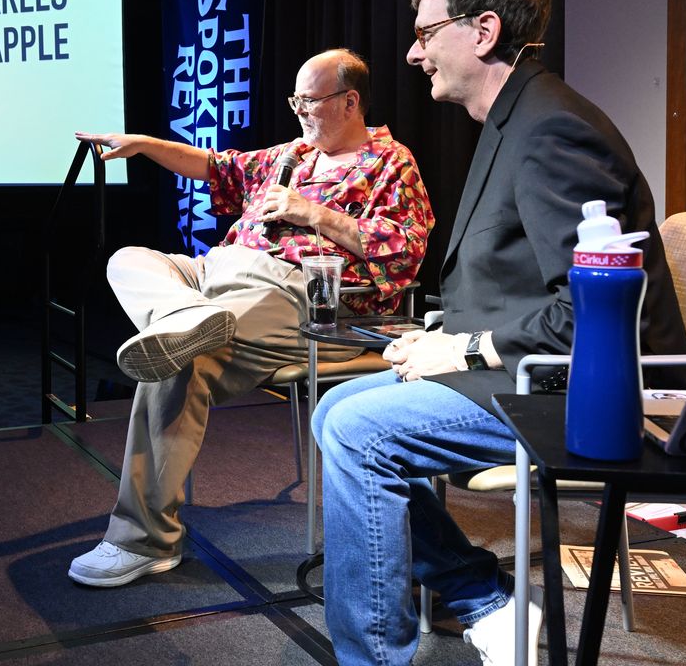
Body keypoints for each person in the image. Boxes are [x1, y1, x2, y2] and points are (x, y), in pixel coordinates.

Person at [311, 0, 686, 666]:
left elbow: (592, 317)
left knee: (361, 431)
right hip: (526, 371)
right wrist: (435, 331)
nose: (413, 52)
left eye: (426, 34)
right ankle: (485, 599)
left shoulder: (554, 130)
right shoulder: (513, 121)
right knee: (333, 411)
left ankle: (375, 656)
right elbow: (516, 280)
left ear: (482, 31)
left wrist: (462, 349)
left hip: (582, 393)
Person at [68, 48, 433, 588]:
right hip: (217, 274)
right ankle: (188, 316)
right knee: (130, 260)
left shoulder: (388, 163)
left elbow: (405, 250)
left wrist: (311, 212)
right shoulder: (292, 154)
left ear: (350, 101)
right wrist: (145, 145)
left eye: (309, 101)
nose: (300, 113)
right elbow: (216, 166)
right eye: (296, 101)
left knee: (178, 360)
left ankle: (144, 540)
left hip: (298, 295)